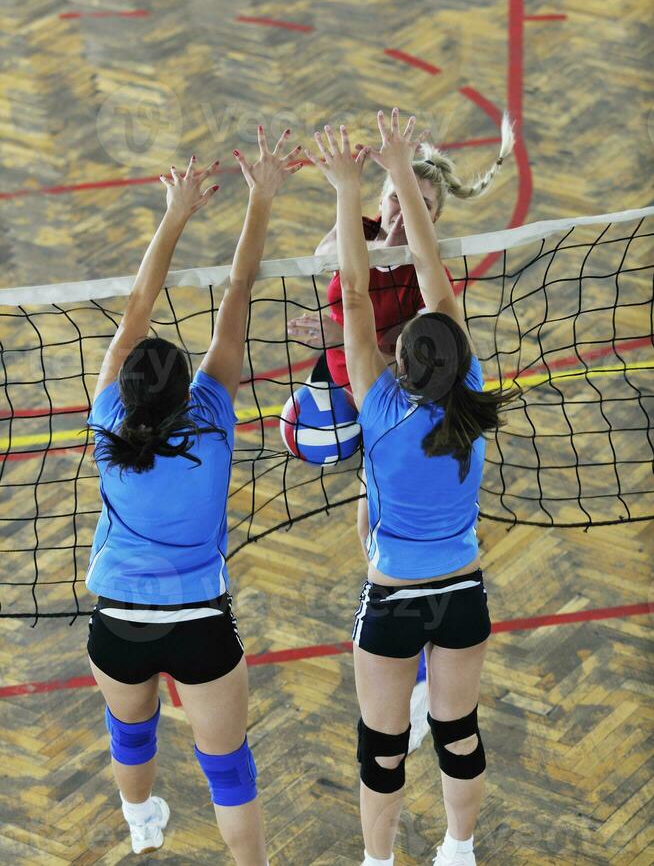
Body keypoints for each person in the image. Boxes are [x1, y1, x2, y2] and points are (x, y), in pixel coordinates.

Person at [303, 108, 517, 866]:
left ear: (401, 363)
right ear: (458, 356)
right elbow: (433, 285)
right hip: (463, 593)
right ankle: (458, 848)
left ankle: (377, 862)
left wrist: (356, 182)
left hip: (392, 599)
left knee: (382, 748)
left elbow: (357, 297)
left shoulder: (379, 409)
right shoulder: (475, 398)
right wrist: (395, 182)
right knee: (459, 736)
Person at [86, 129, 302, 863]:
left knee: (131, 734)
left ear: (125, 386)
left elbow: (136, 309)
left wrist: (173, 213)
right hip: (199, 623)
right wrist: (261, 197)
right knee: (230, 773)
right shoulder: (212, 421)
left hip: (118, 622)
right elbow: (238, 291)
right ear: (187, 389)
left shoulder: (107, 421)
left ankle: (142, 823)